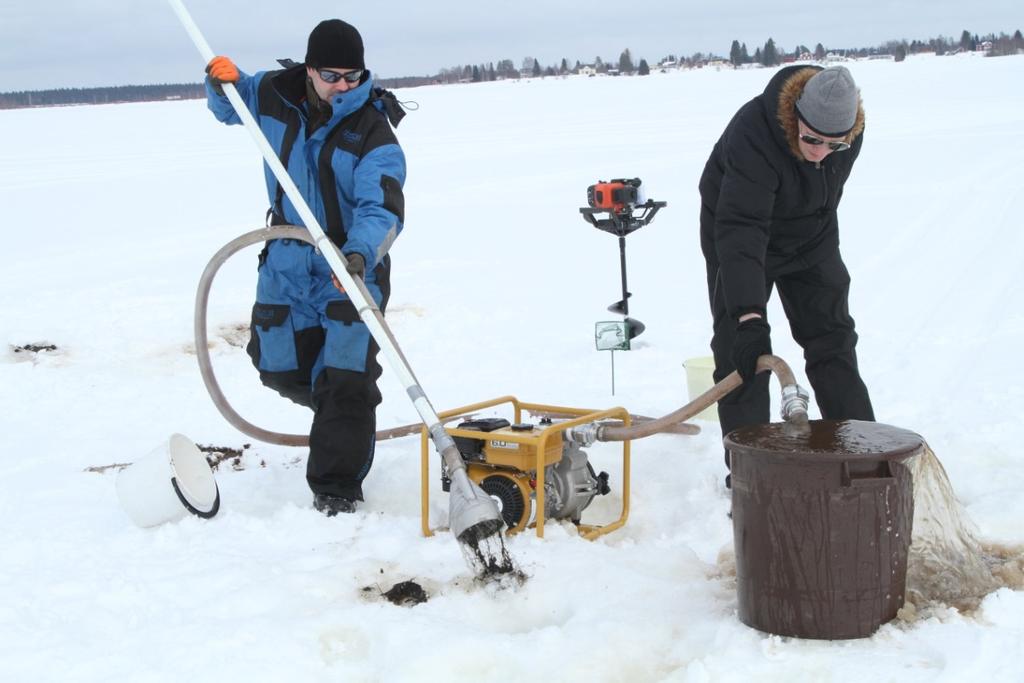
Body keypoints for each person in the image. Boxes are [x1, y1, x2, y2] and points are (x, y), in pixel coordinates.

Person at [204, 19, 407, 515]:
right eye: (332, 75)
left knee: (345, 379)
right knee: (277, 366)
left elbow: (382, 208)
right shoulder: (273, 94)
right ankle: (338, 416)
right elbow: (232, 106)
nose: (343, 86)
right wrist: (218, 82)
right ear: (310, 70)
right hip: (286, 263)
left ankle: (336, 490)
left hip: (350, 265)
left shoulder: (373, 130)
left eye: (353, 76)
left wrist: (358, 255)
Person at [698, 65, 875, 479]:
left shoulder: (850, 134)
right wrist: (748, 314)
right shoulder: (753, 134)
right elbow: (741, 228)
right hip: (738, 232)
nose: (820, 151)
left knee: (833, 339)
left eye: (835, 145)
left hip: (810, 235)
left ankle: (862, 455)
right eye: (811, 139)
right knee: (741, 351)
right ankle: (750, 473)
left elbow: (823, 193)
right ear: (795, 115)